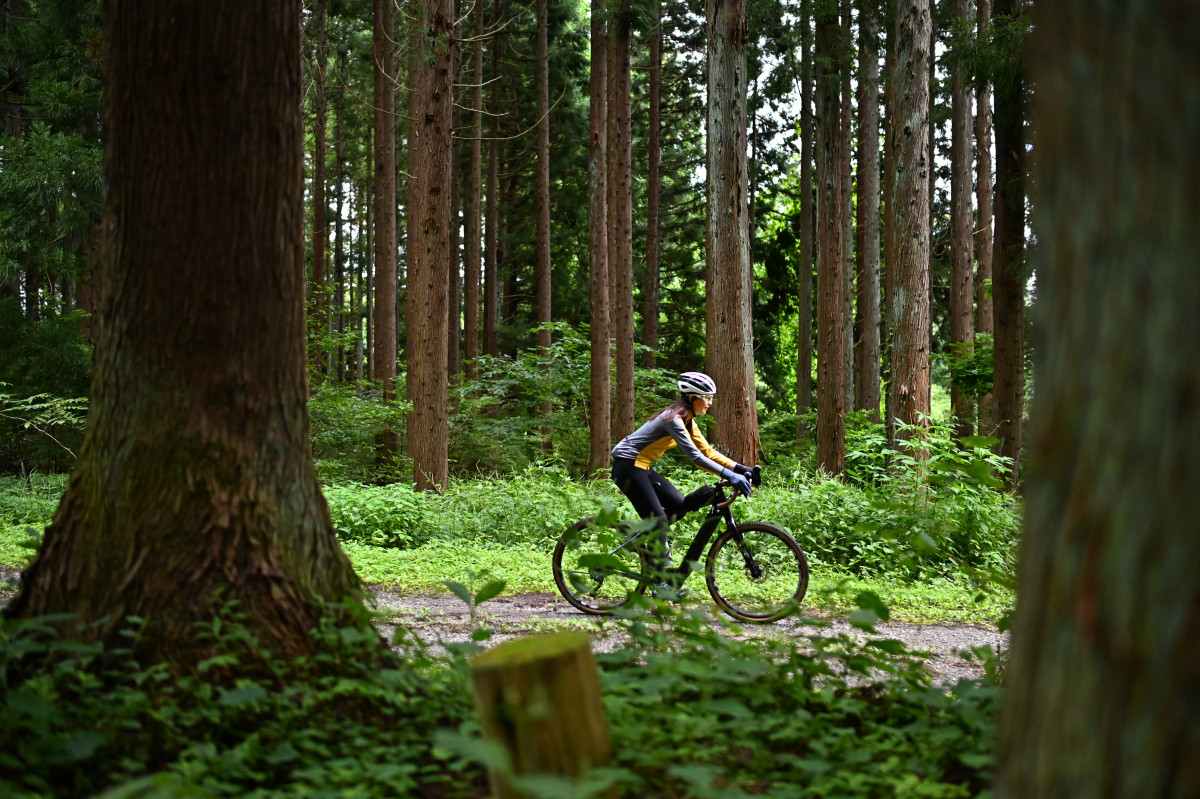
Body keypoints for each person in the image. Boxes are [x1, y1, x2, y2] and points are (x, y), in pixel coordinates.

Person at [610, 371, 756, 588]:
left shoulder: (688, 420)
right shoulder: (673, 419)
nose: (709, 403)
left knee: (680, 506)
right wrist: (729, 475)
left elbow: (707, 451)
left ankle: (641, 542)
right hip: (628, 466)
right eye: (706, 398)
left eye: (710, 398)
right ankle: (660, 586)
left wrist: (741, 468)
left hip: (642, 466)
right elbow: (695, 457)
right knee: (659, 521)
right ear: (691, 398)